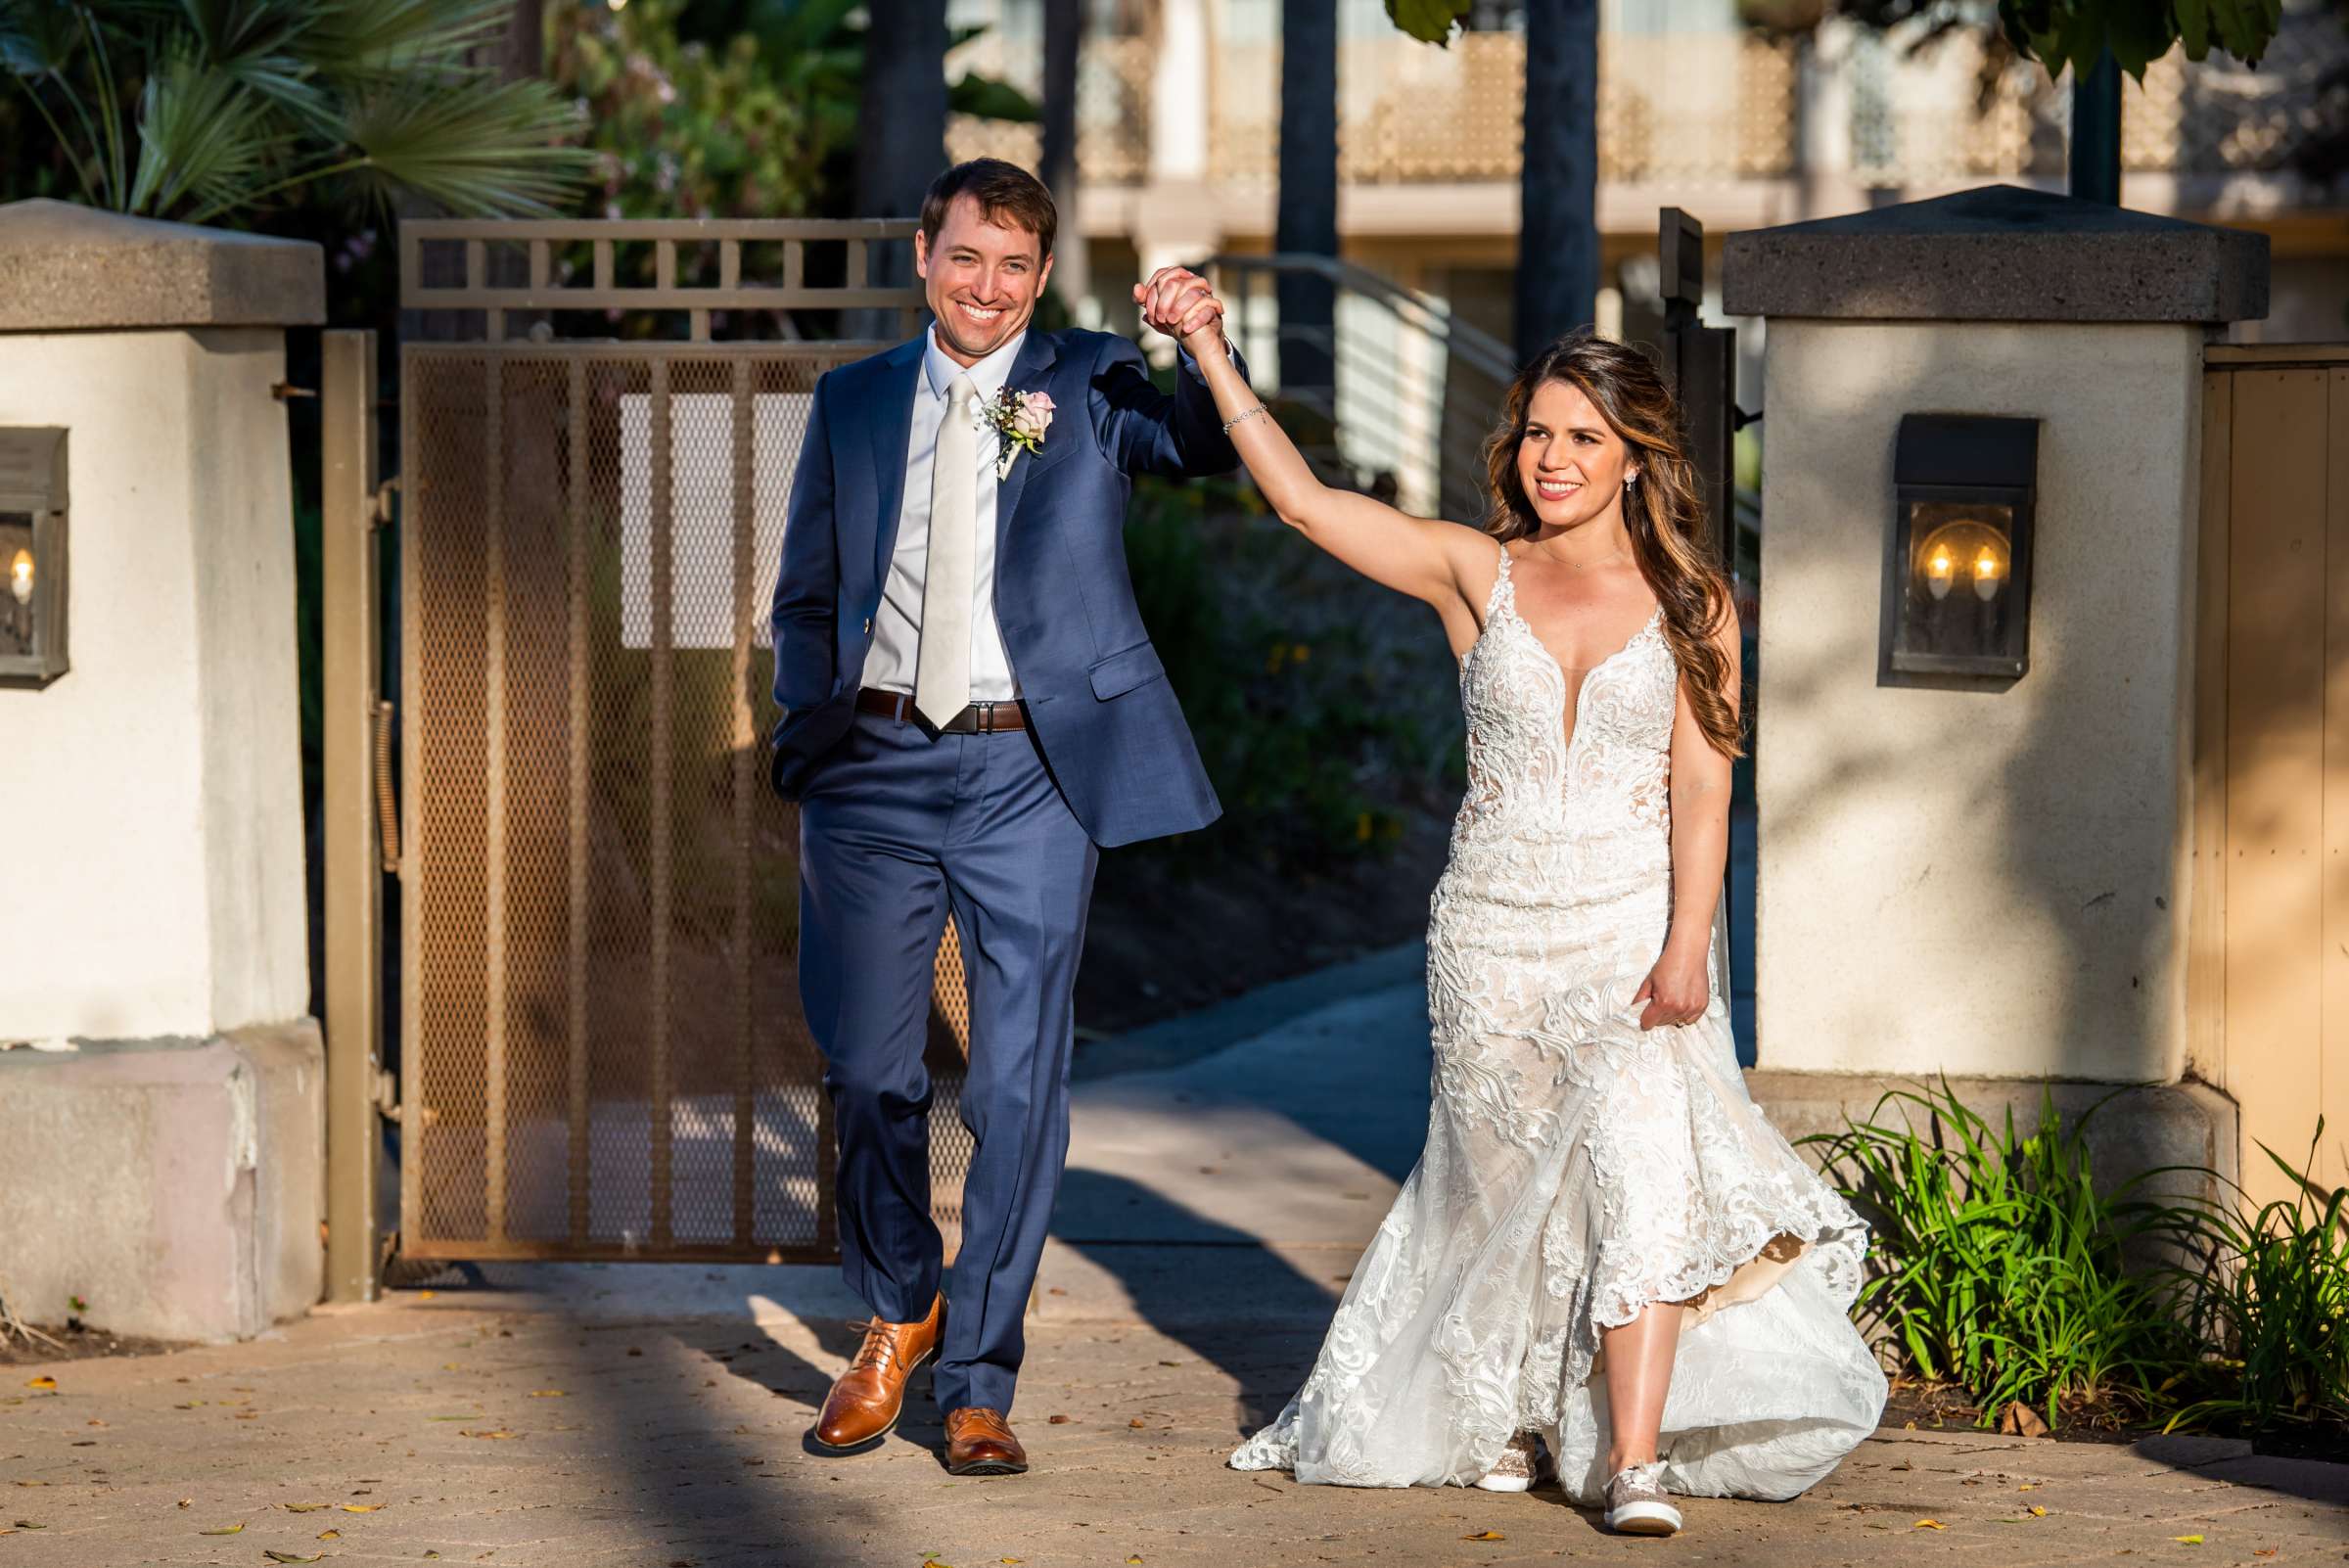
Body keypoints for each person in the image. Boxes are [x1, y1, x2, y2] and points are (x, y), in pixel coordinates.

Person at [1128, 264, 1888, 1536]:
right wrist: (1207, 343)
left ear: (1635, 456)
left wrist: (1690, 946)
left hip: (1631, 930)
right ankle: (1529, 1417)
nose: (1552, 456)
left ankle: (1634, 1458)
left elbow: (1705, 797)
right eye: (1538, 431)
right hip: (1489, 932)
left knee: (1641, 1173)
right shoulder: (1476, 571)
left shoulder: (1699, 606)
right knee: (1503, 1192)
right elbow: (1310, 507)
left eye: (1583, 437)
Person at [766, 162, 1239, 1477]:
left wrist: (1197, 340)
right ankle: (902, 1299)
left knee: (1020, 1082)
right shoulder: (853, 399)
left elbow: (1200, 445)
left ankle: (976, 1375)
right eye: (967, 256)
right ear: (926, 254)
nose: (988, 286)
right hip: (871, 766)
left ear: (1042, 277)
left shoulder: (1088, 382)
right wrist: (810, 730)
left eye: (1015, 266)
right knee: (870, 1070)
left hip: (1031, 769)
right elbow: (806, 592)